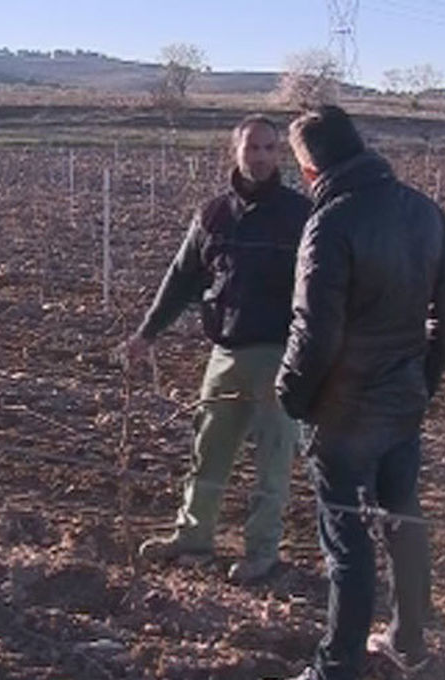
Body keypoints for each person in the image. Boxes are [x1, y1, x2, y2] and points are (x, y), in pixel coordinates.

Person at [258, 105, 445, 680]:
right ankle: (409, 639)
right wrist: (423, 379)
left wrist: (293, 398)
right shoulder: (424, 211)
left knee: (346, 543)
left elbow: (314, 330)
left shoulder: (330, 223)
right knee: (404, 518)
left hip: (343, 412)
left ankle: (333, 678)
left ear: (308, 165)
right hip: (403, 400)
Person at [122, 115, 312, 584]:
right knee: (209, 449)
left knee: (272, 456)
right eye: (253, 148)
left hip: (279, 354)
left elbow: (324, 289)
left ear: (279, 154)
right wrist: (147, 334)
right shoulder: (212, 215)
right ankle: (193, 538)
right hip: (224, 353)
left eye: (269, 148)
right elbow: (181, 278)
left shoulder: (300, 215)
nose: (261, 156)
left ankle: (262, 551)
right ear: (236, 151)